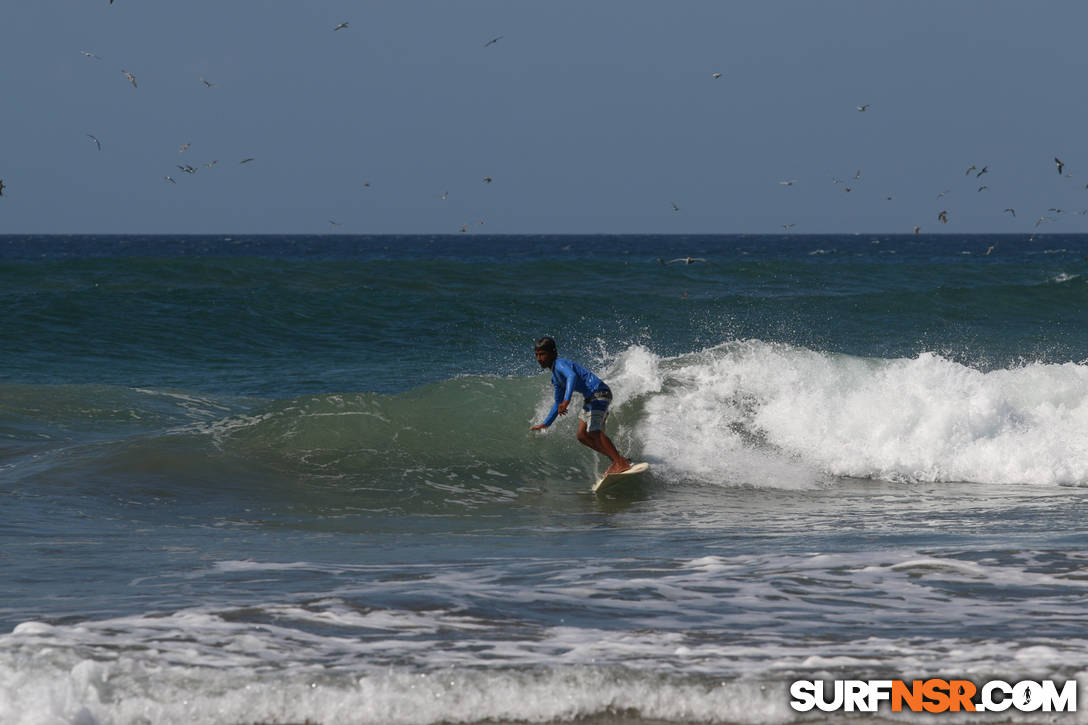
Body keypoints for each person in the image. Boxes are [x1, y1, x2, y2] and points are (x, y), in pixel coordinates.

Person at [530, 336, 632, 475]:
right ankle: (618, 459)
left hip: (599, 393)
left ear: (553, 353)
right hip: (590, 399)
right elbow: (557, 403)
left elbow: (572, 376)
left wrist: (567, 401)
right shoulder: (555, 378)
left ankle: (620, 463)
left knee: (594, 431)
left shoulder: (560, 364)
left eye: (542, 354)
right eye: (537, 355)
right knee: (582, 436)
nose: (539, 359)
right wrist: (545, 424)